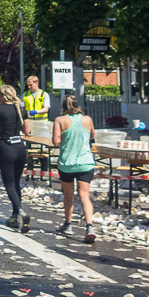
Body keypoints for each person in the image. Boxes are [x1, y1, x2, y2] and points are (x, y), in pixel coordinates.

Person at [51, 94, 97, 243]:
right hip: (85, 163)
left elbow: (56, 141)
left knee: (68, 195)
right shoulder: (87, 119)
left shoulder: (59, 120)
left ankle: (68, 224)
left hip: (67, 164)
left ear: (63, 107)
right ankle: (89, 226)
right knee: (84, 196)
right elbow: (92, 137)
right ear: (78, 106)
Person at [0, 84, 32, 232]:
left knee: (9, 183)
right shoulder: (21, 108)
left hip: (6, 147)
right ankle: (14, 216)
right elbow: (27, 130)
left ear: (2, 96)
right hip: (20, 147)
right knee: (16, 183)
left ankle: (20, 210)